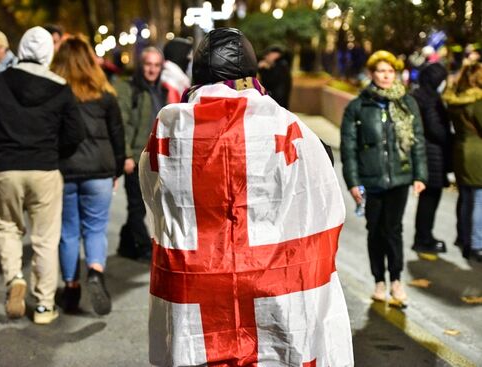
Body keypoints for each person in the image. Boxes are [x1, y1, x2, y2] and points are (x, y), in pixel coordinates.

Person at [141, 27, 353, 366]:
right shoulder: (284, 125)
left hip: (195, 281)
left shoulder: (169, 126)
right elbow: (317, 191)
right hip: (269, 279)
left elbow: (153, 191)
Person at [0, 26, 85, 324]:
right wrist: (53, 152)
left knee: (7, 228)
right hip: (45, 169)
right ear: (48, 52)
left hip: (6, 168)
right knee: (45, 239)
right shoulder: (60, 87)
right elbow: (76, 133)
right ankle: (44, 306)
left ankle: (14, 280)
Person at [341, 50, 427, 305]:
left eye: (390, 71)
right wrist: (353, 181)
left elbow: (417, 142)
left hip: (400, 178)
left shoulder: (406, 103)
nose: (386, 76)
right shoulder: (357, 107)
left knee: (394, 230)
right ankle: (379, 281)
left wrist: (420, 174)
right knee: (375, 231)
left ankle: (397, 281)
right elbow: (349, 149)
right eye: (381, 71)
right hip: (370, 180)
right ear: (371, 74)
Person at [51, 34, 126, 315]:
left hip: (65, 170)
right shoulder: (105, 94)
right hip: (100, 171)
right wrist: (116, 169)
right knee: (95, 228)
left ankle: (71, 288)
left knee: (68, 231)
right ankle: (95, 271)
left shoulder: (56, 94)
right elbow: (118, 135)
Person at [114, 47, 168, 261]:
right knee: (137, 205)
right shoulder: (129, 89)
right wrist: (126, 155)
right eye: (148, 64)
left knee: (142, 205)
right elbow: (122, 123)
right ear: (140, 65)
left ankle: (126, 243)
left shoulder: (161, 89)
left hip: (155, 158)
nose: (152, 69)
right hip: (135, 158)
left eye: (156, 65)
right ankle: (145, 248)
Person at [442, 62, 482, 261]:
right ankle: (476, 244)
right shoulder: (477, 101)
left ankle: (464, 237)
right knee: (479, 200)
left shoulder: (455, 101)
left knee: (466, 198)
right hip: (477, 153)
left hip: (460, 151)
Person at [411, 63, 452, 254]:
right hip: (432, 155)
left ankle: (424, 236)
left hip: (426, 154)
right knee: (430, 199)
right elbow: (436, 129)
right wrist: (450, 137)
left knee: (428, 199)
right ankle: (423, 238)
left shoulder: (417, 96)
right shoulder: (429, 100)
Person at [160, 37, 193, 104]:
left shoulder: (178, 79)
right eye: (188, 54)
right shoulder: (170, 81)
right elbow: (173, 112)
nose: (189, 59)